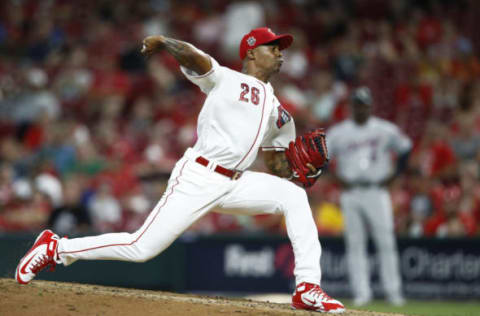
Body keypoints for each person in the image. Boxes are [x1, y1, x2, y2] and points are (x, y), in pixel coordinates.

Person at [15, 27, 345, 313]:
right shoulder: (228, 80)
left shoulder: (279, 113)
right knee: (141, 248)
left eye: (280, 49)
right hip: (199, 176)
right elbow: (196, 59)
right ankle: (56, 248)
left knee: (293, 196)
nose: (279, 54)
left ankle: (307, 288)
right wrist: (166, 42)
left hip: (236, 182)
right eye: (272, 47)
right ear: (251, 52)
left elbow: (276, 164)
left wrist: (299, 174)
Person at [326, 87, 411, 306]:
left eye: (363, 104)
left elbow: (405, 149)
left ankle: (393, 293)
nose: (360, 108)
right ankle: (362, 293)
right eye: (357, 104)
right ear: (351, 106)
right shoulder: (339, 132)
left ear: (370, 106)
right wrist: (336, 178)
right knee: (355, 244)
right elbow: (321, 157)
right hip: (351, 191)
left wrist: (393, 176)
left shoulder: (384, 129)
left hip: (376, 190)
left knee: (386, 241)